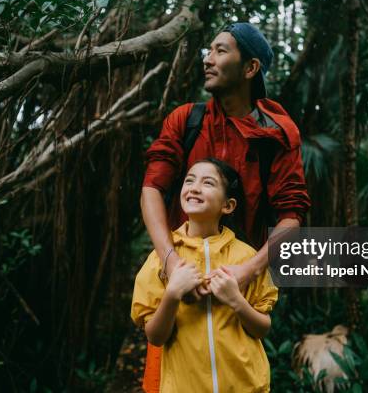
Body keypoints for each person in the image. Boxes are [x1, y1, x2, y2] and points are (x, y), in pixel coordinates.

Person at [140, 22, 311, 391]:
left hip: (236, 290)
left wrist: (247, 271)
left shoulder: (278, 133)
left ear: (250, 68)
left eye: (220, 51)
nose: (208, 59)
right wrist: (170, 263)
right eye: (209, 50)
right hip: (180, 287)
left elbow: (291, 215)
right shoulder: (187, 120)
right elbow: (152, 188)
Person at [132, 158, 278, 392]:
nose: (194, 187)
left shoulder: (247, 258)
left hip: (246, 386)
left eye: (208, 183)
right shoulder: (161, 259)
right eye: (189, 180)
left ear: (228, 205)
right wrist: (172, 294)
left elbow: (262, 329)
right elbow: (155, 337)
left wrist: (236, 300)